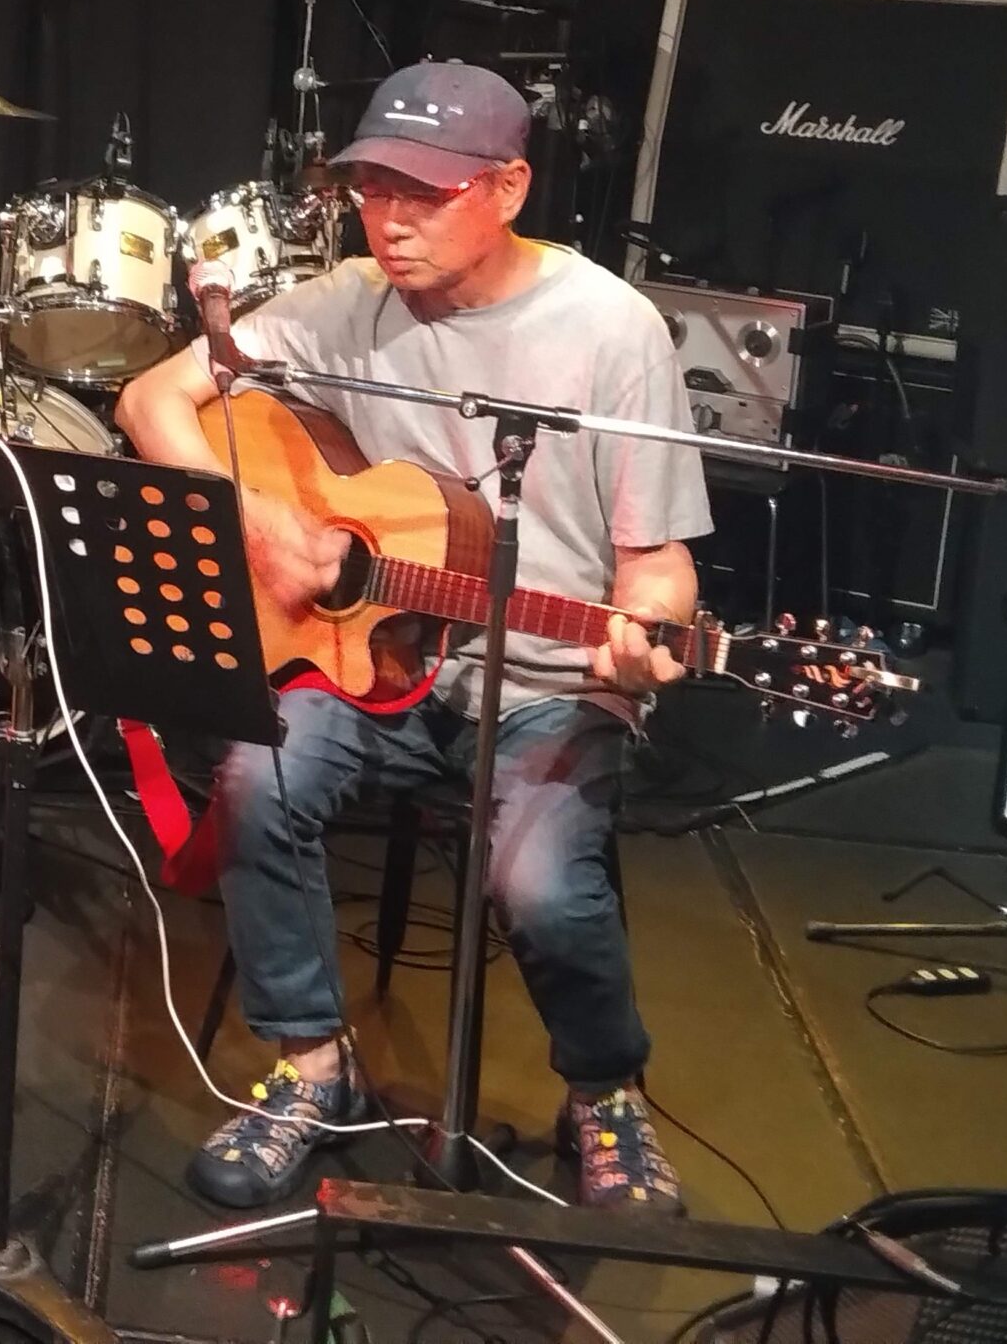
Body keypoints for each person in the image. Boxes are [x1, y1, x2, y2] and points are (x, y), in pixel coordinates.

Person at [117, 60, 710, 1216]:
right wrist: (265, 525)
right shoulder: (342, 301)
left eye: (423, 195)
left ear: (508, 188)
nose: (387, 221)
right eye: (371, 189)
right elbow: (149, 402)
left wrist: (650, 635)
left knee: (539, 884)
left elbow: (657, 565)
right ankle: (313, 1064)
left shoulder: (611, 330)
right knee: (253, 781)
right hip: (374, 664)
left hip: (545, 676)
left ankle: (602, 1092)